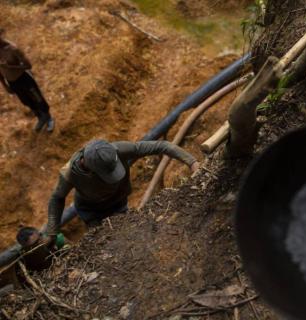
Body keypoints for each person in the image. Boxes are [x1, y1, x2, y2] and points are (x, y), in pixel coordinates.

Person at [46, 139, 200, 235]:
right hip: (93, 213)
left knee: (128, 235)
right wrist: (53, 231)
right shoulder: (70, 174)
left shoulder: (119, 150)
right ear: (91, 169)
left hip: (118, 202)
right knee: (102, 243)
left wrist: (192, 162)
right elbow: (57, 198)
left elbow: (161, 146)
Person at [0, 30, 55, 132]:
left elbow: (28, 65)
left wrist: (10, 66)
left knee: (37, 97)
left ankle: (49, 118)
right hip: (12, 82)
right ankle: (40, 117)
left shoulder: (12, 49)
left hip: (24, 78)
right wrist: (5, 85)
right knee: (26, 101)